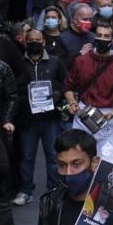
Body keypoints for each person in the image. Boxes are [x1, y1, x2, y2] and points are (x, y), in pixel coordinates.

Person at [11, 26, 67, 205]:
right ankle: (26, 190)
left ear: (43, 42)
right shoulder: (19, 62)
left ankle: (54, 190)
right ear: (25, 42)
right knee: (27, 156)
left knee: (52, 155)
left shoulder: (55, 62)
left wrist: (57, 94)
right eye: (31, 40)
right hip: (28, 118)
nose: (34, 43)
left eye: (38, 40)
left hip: (50, 117)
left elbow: (65, 83)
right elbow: (12, 85)